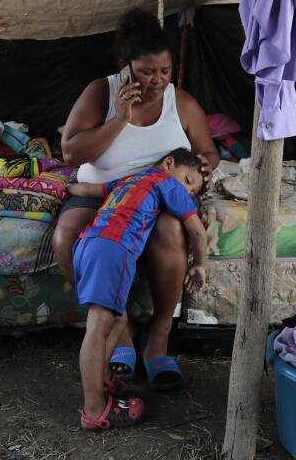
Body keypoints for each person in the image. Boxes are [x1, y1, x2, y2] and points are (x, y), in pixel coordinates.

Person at [55, 8, 219, 387]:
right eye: (147, 72)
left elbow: (208, 152)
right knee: (67, 237)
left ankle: (158, 342)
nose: (158, 80)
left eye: (165, 71)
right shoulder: (101, 92)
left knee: (170, 231)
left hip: (157, 196)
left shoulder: (181, 103)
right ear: (125, 67)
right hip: (102, 194)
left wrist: (205, 169)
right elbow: (71, 154)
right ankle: (122, 331)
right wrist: (120, 119)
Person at [69, 149, 208, 429]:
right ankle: (94, 410)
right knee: (98, 327)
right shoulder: (166, 182)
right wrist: (200, 265)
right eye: (188, 181)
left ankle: (104, 382)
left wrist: (65, 186)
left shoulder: (129, 180)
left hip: (86, 244)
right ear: (170, 164)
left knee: (118, 318)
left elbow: (85, 188)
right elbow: (196, 230)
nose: (188, 192)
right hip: (113, 247)